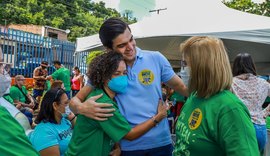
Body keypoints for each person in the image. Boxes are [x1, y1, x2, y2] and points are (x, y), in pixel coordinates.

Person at [69, 17, 188, 155]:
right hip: (129, 146)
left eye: (131, 39)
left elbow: (184, 89)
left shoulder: (156, 58)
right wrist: (82, 107)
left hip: (160, 142)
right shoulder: (106, 71)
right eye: (121, 45)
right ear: (109, 49)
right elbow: (74, 102)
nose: (130, 47)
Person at [66, 52, 168, 156]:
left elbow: (108, 129)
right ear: (104, 77)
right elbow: (130, 135)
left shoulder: (102, 95)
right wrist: (158, 117)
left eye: (124, 73)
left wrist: (117, 146)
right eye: (116, 73)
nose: (122, 77)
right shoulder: (103, 104)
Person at [173, 36, 259, 156]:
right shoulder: (194, 96)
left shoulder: (229, 108)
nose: (182, 70)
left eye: (185, 63)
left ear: (202, 67)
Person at [0, 48, 39, 155]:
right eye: (0, 64)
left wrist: (31, 101)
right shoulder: (13, 90)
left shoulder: (23, 88)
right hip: (19, 107)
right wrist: (28, 105)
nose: (4, 71)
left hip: (19, 108)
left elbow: (27, 95)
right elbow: (17, 102)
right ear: (17, 81)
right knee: (29, 113)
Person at [231, 53, 270, 152]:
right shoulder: (263, 83)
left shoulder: (231, 83)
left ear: (235, 66)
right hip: (260, 129)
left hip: (241, 128)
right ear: (252, 65)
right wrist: (264, 113)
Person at [29, 88, 75, 156]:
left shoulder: (64, 120)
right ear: (55, 105)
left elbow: (81, 131)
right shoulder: (44, 131)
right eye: (66, 103)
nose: (68, 106)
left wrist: (72, 117)